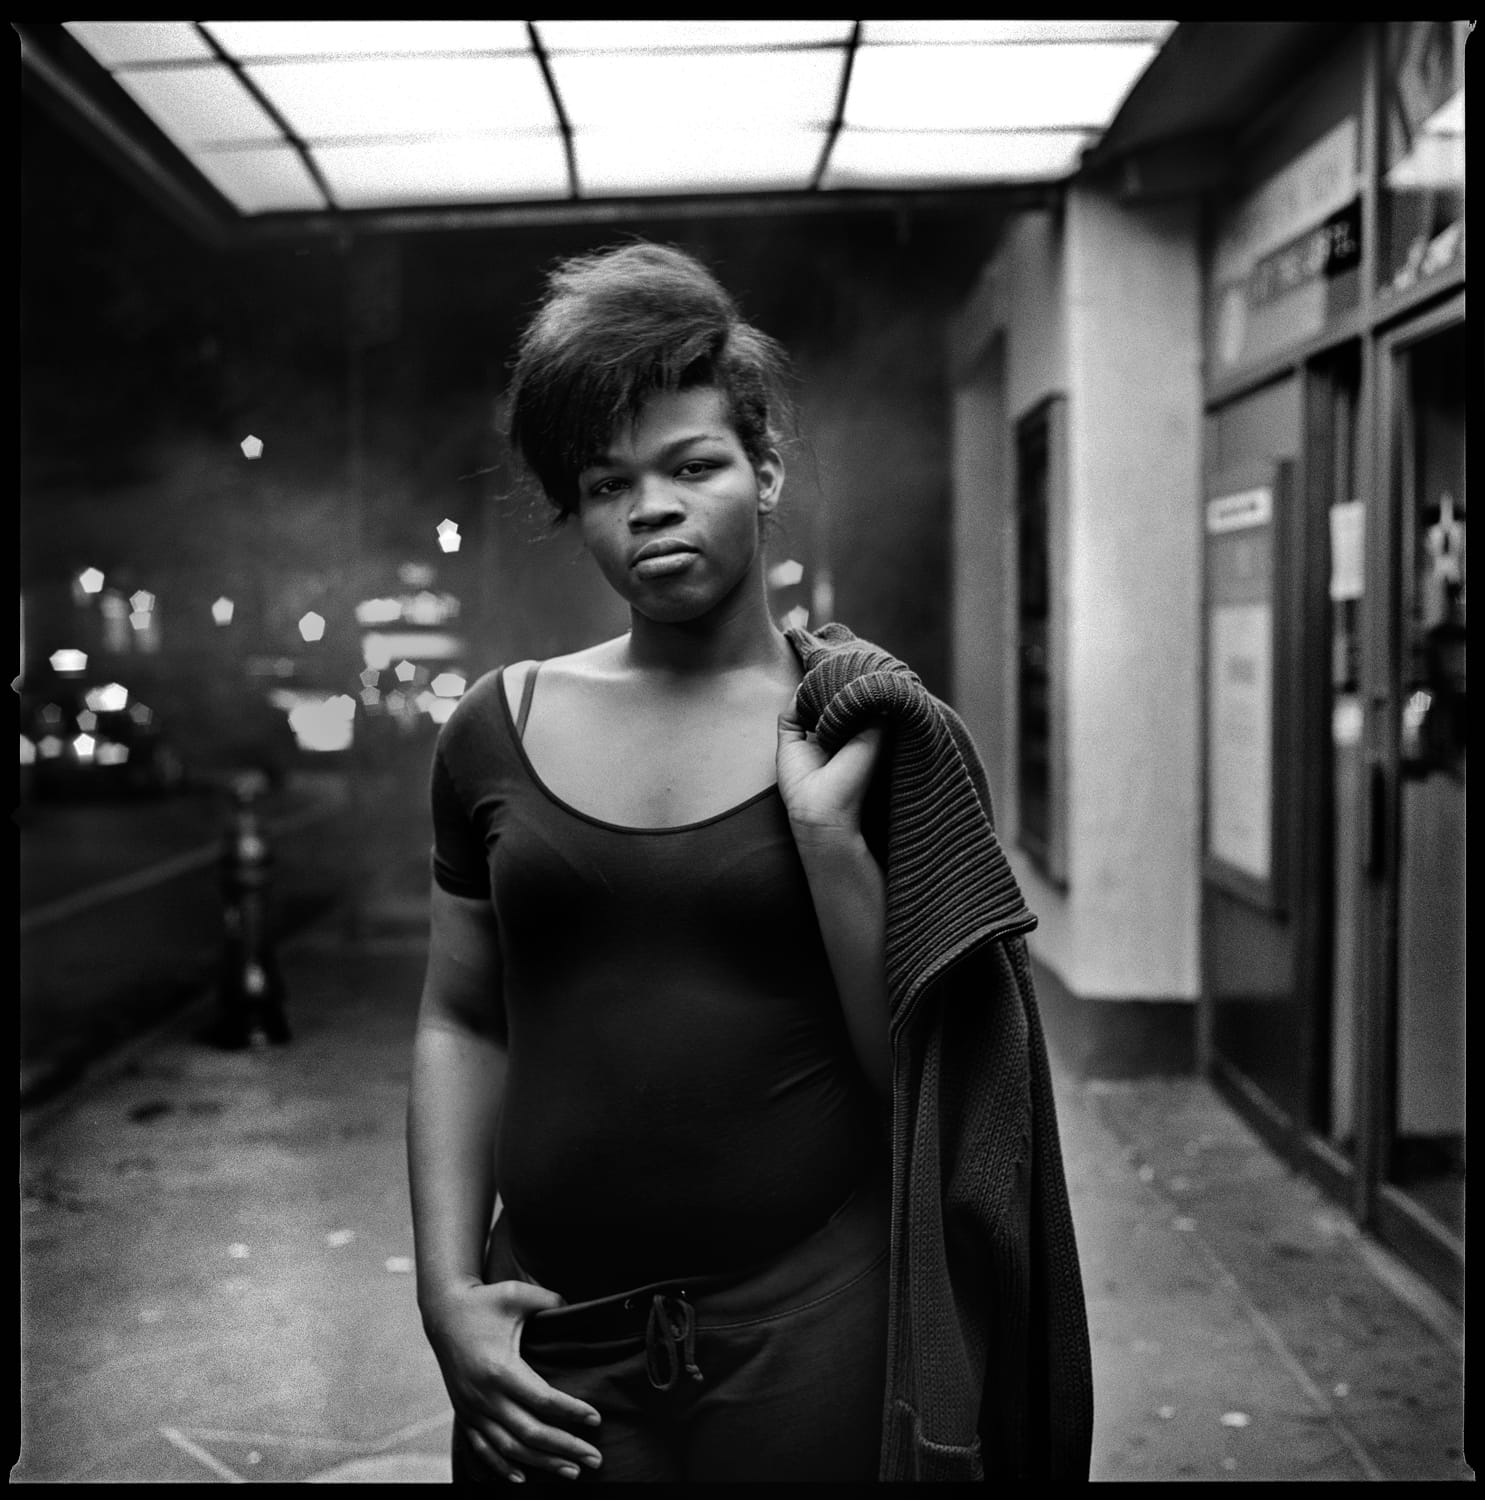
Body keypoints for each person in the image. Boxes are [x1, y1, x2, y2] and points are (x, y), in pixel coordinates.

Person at [406, 241, 1092, 1485]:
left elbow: (924, 1088)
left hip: (812, 1330)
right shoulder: (493, 729)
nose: (650, 507)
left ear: (765, 469)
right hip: (553, 1343)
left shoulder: (867, 728)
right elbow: (462, 1020)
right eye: (608, 482)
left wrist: (828, 840)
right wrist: (448, 1293)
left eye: (692, 464)